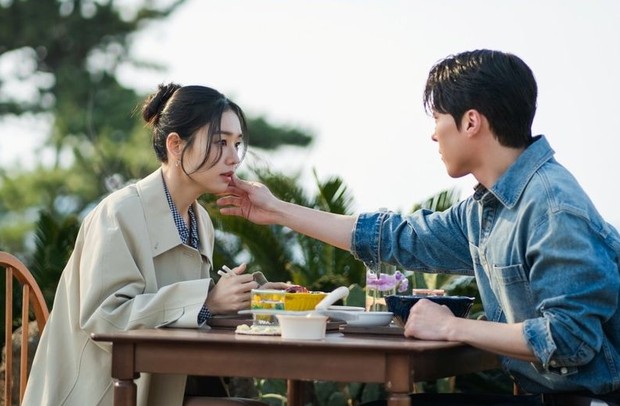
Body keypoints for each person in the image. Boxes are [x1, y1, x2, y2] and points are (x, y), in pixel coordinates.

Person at [217, 50, 620, 405]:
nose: (433, 134)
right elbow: (396, 238)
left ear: (471, 122)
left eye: (438, 118)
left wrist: (451, 325)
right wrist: (278, 211)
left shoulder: (551, 206)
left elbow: (570, 339)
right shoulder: (486, 211)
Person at [23, 83, 288, 406]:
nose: (233, 158)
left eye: (237, 144)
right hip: (102, 392)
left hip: (164, 385)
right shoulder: (118, 213)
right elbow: (105, 318)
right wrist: (206, 301)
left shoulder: (201, 220)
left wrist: (254, 297)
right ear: (175, 145)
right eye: (220, 142)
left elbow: (184, 310)